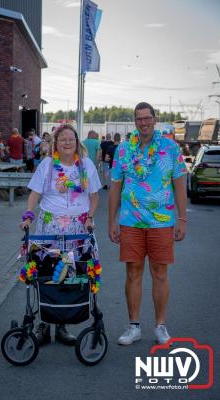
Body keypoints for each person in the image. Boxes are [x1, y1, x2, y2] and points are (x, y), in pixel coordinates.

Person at [108, 102, 187, 345]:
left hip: (161, 222)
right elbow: (115, 186)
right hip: (130, 220)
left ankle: (160, 326)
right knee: (132, 272)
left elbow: (179, 183)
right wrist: (112, 220)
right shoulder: (123, 150)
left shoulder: (170, 148)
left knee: (160, 273)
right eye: (139, 119)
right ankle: (133, 327)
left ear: (155, 119)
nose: (143, 122)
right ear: (134, 121)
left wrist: (181, 218)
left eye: (147, 118)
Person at [21, 123, 102, 345]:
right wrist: (28, 216)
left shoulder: (86, 166)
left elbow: (94, 196)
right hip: (50, 230)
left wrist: (90, 218)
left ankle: (62, 327)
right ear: (55, 143)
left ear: (77, 142)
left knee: (68, 276)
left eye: (71, 138)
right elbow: (34, 195)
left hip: (77, 231)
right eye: (63, 138)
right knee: (46, 273)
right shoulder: (47, 165)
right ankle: (44, 325)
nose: (67, 142)